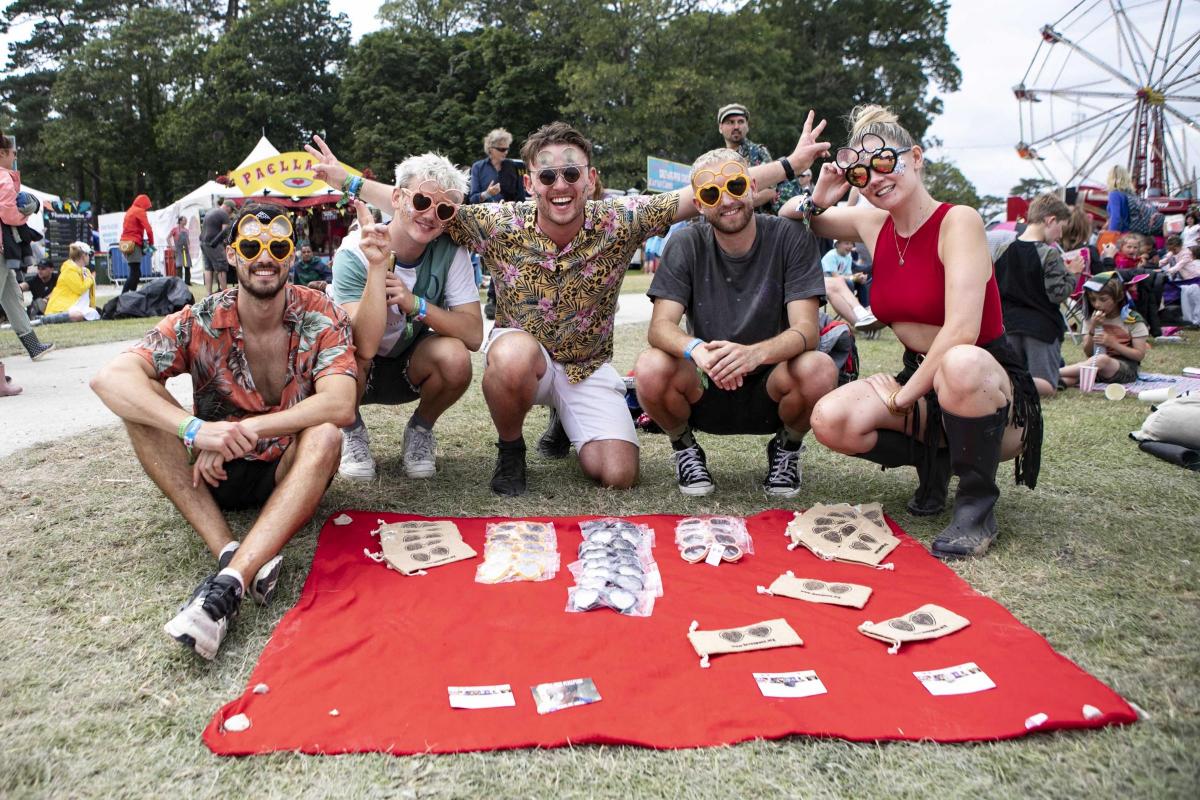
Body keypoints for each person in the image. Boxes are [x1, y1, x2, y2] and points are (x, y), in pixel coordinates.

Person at [308, 112, 830, 496]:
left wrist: (789, 164)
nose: (561, 185)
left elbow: (711, 191)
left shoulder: (621, 219)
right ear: (530, 181)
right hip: (525, 361)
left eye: (572, 173)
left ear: (591, 179)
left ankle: (565, 420)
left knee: (618, 474)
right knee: (511, 354)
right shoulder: (498, 223)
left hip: (586, 365)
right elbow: (419, 203)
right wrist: (347, 181)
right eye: (549, 175)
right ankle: (511, 450)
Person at [89, 202, 358, 661]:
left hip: (286, 471)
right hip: (212, 475)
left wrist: (243, 429)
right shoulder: (200, 318)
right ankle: (228, 550)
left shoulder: (321, 313)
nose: (264, 257)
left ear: (292, 254)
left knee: (328, 433)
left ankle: (228, 586)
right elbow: (108, 378)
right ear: (232, 255)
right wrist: (194, 430)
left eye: (277, 246)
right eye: (251, 246)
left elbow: (340, 403)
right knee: (141, 410)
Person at [786, 104, 1042, 560]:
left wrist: (904, 397)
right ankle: (937, 458)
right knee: (830, 419)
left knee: (960, 364)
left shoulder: (957, 220)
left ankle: (976, 505)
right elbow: (793, 219)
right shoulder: (872, 222)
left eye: (885, 162)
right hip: (923, 380)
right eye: (862, 174)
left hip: (986, 382)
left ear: (917, 157)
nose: (876, 178)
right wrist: (819, 193)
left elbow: (962, 328)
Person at [634, 148, 837, 496]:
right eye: (712, 194)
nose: (727, 200)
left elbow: (807, 331)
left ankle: (787, 447)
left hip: (772, 385)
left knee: (819, 368)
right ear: (699, 205)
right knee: (650, 367)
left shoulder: (791, 236)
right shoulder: (686, 241)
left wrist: (754, 354)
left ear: (753, 187)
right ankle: (684, 447)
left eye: (736, 185)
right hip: (706, 383)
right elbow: (660, 327)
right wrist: (696, 350)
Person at [332, 155, 483, 482]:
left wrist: (416, 304)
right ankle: (351, 431)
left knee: (455, 358)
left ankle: (420, 429)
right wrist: (377, 267)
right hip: (357, 372)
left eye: (443, 211)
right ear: (398, 198)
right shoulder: (353, 252)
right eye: (422, 201)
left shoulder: (449, 251)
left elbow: (473, 335)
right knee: (348, 353)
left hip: (407, 367)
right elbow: (363, 345)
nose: (430, 215)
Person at [993, 193, 1080, 397]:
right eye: (1061, 228)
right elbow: (1057, 294)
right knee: (1047, 387)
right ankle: (1005, 384)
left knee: (1017, 371)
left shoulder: (1003, 249)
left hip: (1009, 326)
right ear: (1050, 220)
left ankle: (1005, 381)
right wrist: (1073, 274)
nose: (1060, 236)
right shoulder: (1049, 253)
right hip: (1041, 328)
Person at [0, 132, 54, 359]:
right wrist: (25, 214)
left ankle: (33, 346)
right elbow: (7, 211)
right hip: (2, 246)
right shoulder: (2, 177)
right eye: (12, 153)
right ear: (2, 153)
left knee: (11, 295)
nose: (14, 157)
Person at [469, 128, 528, 321]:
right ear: (491, 149)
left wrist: (511, 205)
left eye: (507, 149)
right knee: (495, 260)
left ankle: (501, 300)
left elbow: (520, 196)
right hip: (486, 221)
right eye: (501, 149)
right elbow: (472, 198)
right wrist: (488, 194)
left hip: (508, 219)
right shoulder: (478, 167)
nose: (505, 153)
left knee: (507, 260)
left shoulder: (514, 167)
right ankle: (494, 299)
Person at [1060, 272, 1148, 388]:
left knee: (1101, 360)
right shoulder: (1091, 318)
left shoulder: (1132, 319)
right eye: (1093, 299)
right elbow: (1088, 352)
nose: (1097, 304)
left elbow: (1139, 355)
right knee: (1072, 377)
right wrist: (1093, 327)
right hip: (1096, 365)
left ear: (1118, 297)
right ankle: (1046, 383)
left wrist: (1113, 344)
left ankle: (1051, 373)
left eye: (1103, 299)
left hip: (1125, 369)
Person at [716, 103, 800, 214]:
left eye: (740, 121)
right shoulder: (717, 160)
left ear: (747, 126)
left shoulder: (757, 152)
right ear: (720, 127)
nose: (736, 126)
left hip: (758, 223)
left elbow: (770, 191)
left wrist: (734, 204)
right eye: (730, 122)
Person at [820, 239, 878, 330]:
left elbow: (848, 275)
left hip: (843, 283)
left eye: (852, 243)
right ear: (837, 244)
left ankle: (866, 309)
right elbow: (835, 277)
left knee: (860, 283)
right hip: (829, 284)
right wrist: (853, 277)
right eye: (846, 243)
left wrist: (857, 277)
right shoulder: (831, 255)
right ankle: (854, 310)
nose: (850, 246)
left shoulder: (848, 257)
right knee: (850, 282)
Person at [38, 242, 99, 325]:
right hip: (62, 307)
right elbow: (80, 288)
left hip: (78, 306)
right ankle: (47, 319)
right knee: (77, 315)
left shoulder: (86, 271)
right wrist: (91, 278)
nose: (89, 257)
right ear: (83, 256)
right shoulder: (69, 270)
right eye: (88, 254)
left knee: (93, 313)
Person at [118, 194, 154, 294]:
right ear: (144, 204)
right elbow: (149, 229)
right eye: (147, 207)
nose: (146, 210)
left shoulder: (130, 210)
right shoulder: (140, 211)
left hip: (125, 243)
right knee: (135, 273)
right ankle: (124, 295)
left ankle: (132, 294)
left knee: (135, 272)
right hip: (134, 244)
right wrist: (151, 243)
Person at [201, 199, 236, 295]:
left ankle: (209, 293)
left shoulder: (211, 211)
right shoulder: (223, 214)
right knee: (222, 266)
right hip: (214, 243)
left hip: (203, 242)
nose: (231, 212)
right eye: (232, 209)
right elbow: (225, 231)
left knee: (208, 268)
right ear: (228, 207)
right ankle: (225, 292)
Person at [167, 215, 193, 284]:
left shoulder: (187, 230)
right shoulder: (175, 229)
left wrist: (189, 246)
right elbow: (168, 238)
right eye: (185, 220)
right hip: (178, 250)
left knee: (187, 266)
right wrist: (172, 247)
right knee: (179, 266)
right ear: (180, 221)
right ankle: (179, 282)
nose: (186, 221)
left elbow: (187, 240)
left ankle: (187, 282)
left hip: (185, 250)